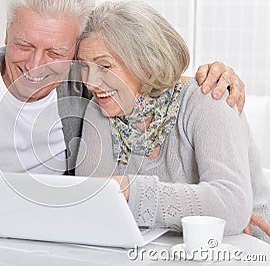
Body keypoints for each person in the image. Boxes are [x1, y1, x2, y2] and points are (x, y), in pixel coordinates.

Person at [0, 0, 244, 214]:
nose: (36, 65)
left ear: (73, 53)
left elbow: (142, 79)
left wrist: (212, 78)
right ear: (7, 34)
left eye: (55, 53)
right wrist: (30, 205)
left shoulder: (86, 88)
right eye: (24, 44)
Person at [75, 0, 270, 242]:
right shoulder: (100, 108)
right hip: (160, 251)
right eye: (84, 67)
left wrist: (129, 191)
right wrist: (206, 209)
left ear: (145, 63)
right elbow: (90, 202)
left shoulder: (207, 98)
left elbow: (230, 205)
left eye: (104, 66)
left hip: (249, 245)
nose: (90, 82)